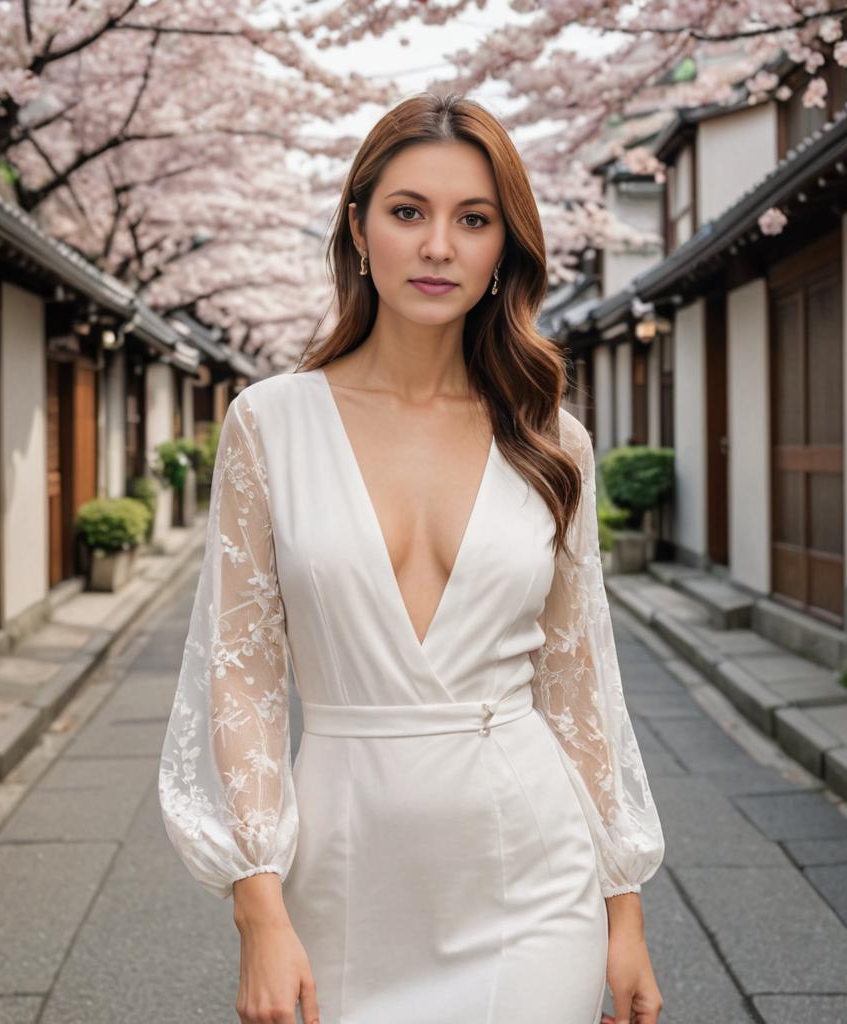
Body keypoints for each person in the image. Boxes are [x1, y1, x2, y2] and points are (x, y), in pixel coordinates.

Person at [158, 91, 666, 1024]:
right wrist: (257, 908)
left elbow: (579, 680)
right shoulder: (269, 422)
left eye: (473, 220)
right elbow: (243, 679)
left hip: (533, 870)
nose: (439, 247)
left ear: (504, 248)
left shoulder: (551, 439)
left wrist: (622, 908)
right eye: (408, 212)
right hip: (346, 871)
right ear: (358, 227)